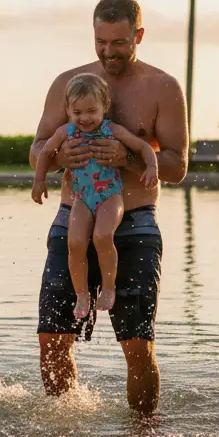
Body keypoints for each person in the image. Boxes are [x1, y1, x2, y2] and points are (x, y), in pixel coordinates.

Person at [29, 0, 188, 415]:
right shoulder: (70, 82)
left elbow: (177, 166)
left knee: (136, 345)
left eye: (118, 42)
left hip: (133, 222)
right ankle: (66, 433)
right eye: (100, 41)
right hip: (73, 215)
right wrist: (59, 157)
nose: (107, 52)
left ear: (138, 35)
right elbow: (38, 148)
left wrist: (128, 159)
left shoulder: (163, 87)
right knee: (51, 340)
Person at [32, 73, 159, 319]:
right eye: (77, 112)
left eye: (91, 111)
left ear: (105, 107)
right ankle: (82, 294)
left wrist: (152, 168)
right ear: (68, 109)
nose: (85, 118)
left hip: (110, 195)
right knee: (74, 243)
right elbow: (45, 153)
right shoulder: (65, 131)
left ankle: (108, 288)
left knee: (102, 235)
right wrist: (39, 181)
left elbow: (143, 147)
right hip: (82, 197)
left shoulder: (112, 130)